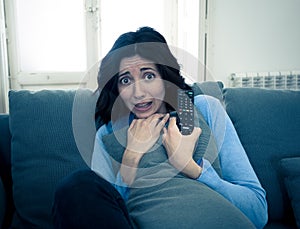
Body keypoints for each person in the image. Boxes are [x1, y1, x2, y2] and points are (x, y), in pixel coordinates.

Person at [52, 27, 268, 229]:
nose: (138, 92)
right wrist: (131, 157)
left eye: (148, 75)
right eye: (125, 80)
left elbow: (258, 211)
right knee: (76, 186)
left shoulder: (206, 109)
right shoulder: (109, 133)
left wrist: (191, 167)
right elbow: (103, 212)